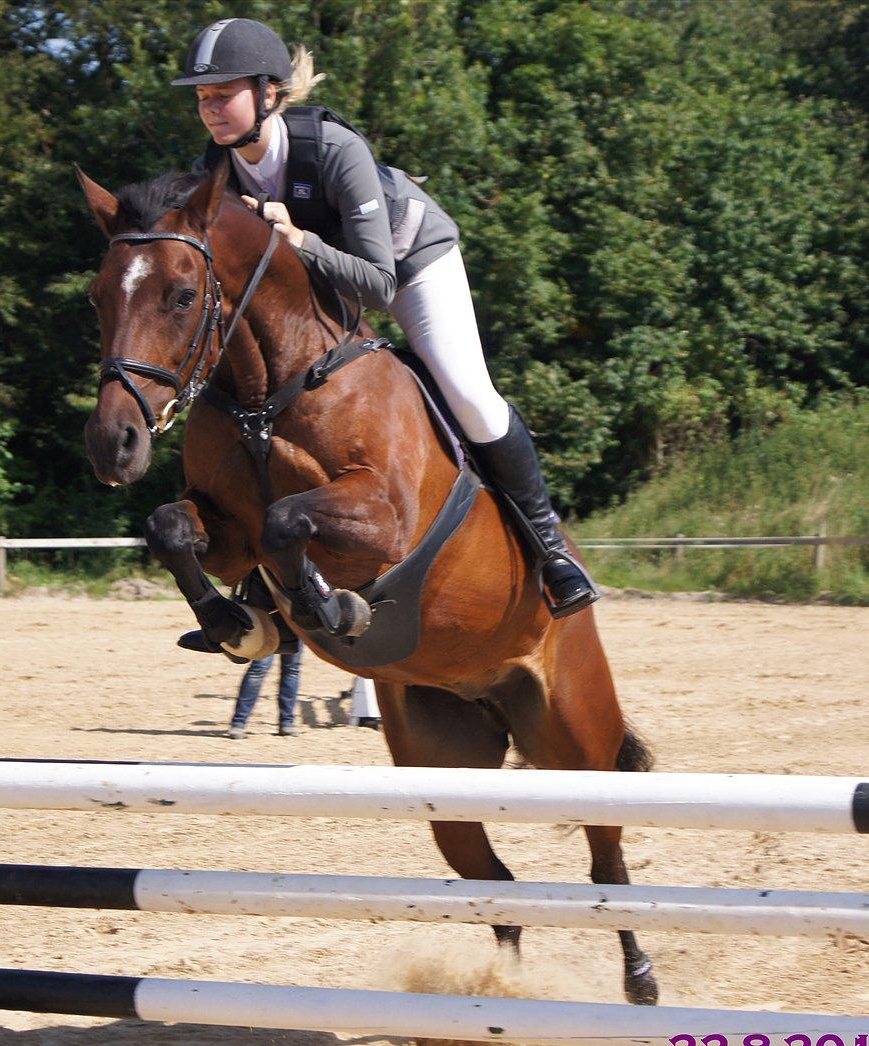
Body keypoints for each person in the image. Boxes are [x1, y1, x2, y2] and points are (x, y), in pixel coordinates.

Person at [173, 18, 598, 619]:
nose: (210, 107)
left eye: (222, 93)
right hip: (321, 284)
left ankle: (551, 551)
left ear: (269, 92)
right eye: (201, 98)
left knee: (469, 395)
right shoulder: (211, 171)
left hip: (408, 263)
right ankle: (261, 583)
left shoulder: (334, 149)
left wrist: (299, 240)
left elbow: (378, 283)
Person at [228, 638, 302, 738]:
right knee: (260, 669)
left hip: (293, 626)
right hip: (270, 625)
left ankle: (287, 722)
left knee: (290, 669)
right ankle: (239, 722)